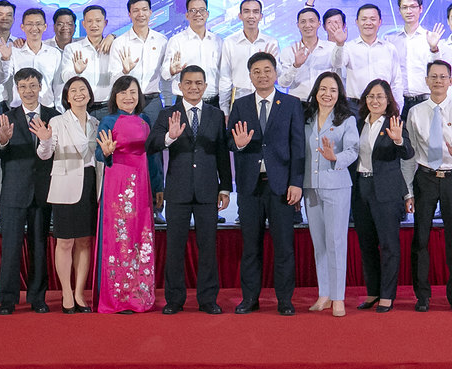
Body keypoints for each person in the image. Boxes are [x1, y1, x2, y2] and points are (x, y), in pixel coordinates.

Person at [148, 66, 230, 315]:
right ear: (180, 86)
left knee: (208, 248)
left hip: (207, 191)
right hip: (178, 190)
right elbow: (151, 145)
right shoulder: (167, 113)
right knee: (175, 248)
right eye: (188, 83)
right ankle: (174, 299)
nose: (194, 87)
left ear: (205, 86)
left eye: (198, 83)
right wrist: (169, 137)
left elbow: (222, 153)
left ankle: (208, 299)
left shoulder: (216, 115)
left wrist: (225, 188)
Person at [228, 51, 305, 314]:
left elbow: (298, 146)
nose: (262, 76)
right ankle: (250, 298)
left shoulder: (291, 104)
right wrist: (237, 144)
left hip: (282, 187)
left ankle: (285, 300)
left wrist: (296, 182)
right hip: (250, 187)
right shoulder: (241, 105)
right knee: (251, 246)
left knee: (284, 246)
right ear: (250, 76)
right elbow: (229, 141)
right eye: (256, 72)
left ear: (276, 73)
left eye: (267, 70)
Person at [404, 59, 452, 312]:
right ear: (426, 81)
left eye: (443, 77)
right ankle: (422, 296)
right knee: (420, 238)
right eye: (433, 77)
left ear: (451, 81)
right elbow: (409, 155)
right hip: (425, 177)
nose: (438, 81)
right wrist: (408, 191)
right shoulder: (415, 112)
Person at [0, 68, 58, 313]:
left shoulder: (54, 116)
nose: (28, 91)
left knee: (39, 247)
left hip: (43, 192)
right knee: (10, 248)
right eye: (23, 87)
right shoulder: (6, 118)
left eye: (32, 85)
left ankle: (37, 298)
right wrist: (3, 141)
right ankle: (7, 300)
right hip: (14, 193)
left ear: (40, 87)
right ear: (17, 90)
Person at [95, 76, 158, 314]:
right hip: (118, 184)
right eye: (123, 93)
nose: (128, 97)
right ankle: (118, 297)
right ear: (115, 96)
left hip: (142, 184)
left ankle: (138, 295)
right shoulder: (108, 121)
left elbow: (153, 157)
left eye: (132, 92)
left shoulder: (145, 120)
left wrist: (158, 186)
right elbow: (99, 153)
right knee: (119, 238)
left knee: (140, 236)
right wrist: (106, 152)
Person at [300, 70, 358, 315]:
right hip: (311, 187)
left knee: (336, 242)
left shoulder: (346, 119)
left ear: (339, 94)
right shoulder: (306, 117)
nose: (327, 94)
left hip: (337, 185)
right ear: (316, 91)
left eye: (333, 90)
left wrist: (335, 157)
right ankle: (324, 294)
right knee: (319, 243)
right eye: (323, 89)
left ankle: (338, 297)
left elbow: (353, 150)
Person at [351, 78, 411, 313]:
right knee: (366, 244)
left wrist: (398, 139)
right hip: (360, 188)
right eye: (371, 96)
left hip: (386, 191)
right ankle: (373, 292)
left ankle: (387, 295)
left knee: (388, 245)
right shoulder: (357, 123)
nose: (375, 101)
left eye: (380, 97)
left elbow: (408, 152)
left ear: (388, 100)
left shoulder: (395, 123)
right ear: (365, 99)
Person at [45, 76, 99, 312]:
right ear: (66, 97)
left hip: (90, 183)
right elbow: (45, 154)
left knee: (85, 241)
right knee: (65, 241)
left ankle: (79, 292)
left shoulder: (96, 122)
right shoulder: (57, 121)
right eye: (73, 90)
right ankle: (66, 292)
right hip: (65, 184)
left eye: (83, 89)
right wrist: (44, 141)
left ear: (89, 94)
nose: (79, 93)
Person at [279, 6, 340, 99]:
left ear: (319, 23)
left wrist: (340, 44)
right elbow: (283, 84)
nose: (307, 25)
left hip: (325, 101)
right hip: (298, 102)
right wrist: (295, 66)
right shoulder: (289, 51)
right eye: (303, 22)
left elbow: (340, 68)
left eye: (311, 21)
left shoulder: (331, 48)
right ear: (298, 25)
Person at [10, 8, 66, 104]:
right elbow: (4, 78)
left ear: (45, 27)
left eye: (38, 24)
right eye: (29, 24)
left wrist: (59, 109)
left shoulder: (54, 54)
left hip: (47, 106)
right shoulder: (14, 52)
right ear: (22, 27)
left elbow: (58, 86)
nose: (34, 28)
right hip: (20, 107)